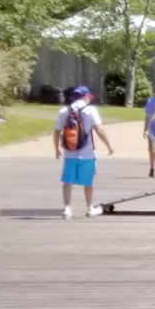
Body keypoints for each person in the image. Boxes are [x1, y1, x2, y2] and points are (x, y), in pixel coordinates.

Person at [53, 85, 115, 218]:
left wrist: (56, 148)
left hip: (70, 152)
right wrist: (109, 146)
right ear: (85, 96)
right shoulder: (91, 110)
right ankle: (89, 208)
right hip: (87, 153)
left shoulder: (64, 111)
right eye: (89, 97)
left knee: (67, 181)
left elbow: (57, 131)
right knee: (88, 182)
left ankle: (67, 209)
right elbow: (99, 130)